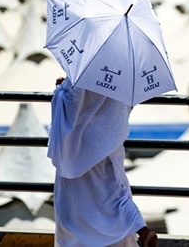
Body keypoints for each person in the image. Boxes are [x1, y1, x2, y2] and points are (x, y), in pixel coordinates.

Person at [48, 76, 158, 247]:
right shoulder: (108, 141)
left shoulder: (80, 74)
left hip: (70, 213)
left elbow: (71, 105)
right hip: (105, 142)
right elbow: (116, 194)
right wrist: (141, 228)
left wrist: (62, 89)